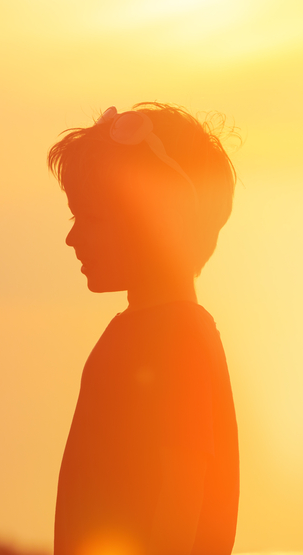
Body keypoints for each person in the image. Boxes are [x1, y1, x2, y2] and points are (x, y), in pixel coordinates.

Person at [48, 103, 239, 555]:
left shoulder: (173, 336)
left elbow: (179, 498)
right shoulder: (151, 330)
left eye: (90, 218)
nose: (72, 237)